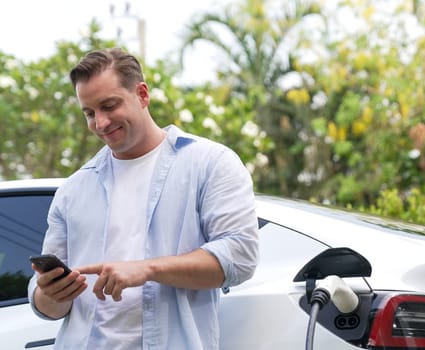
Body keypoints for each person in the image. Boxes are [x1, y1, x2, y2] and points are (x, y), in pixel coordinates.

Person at [27, 48, 259, 350]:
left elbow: (240, 257)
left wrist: (146, 268)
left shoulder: (211, 163)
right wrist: (49, 294)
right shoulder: (73, 191)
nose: (100, 122)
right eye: (89, 113)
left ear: (142, 94)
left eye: (109, 106)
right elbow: (50, 308)